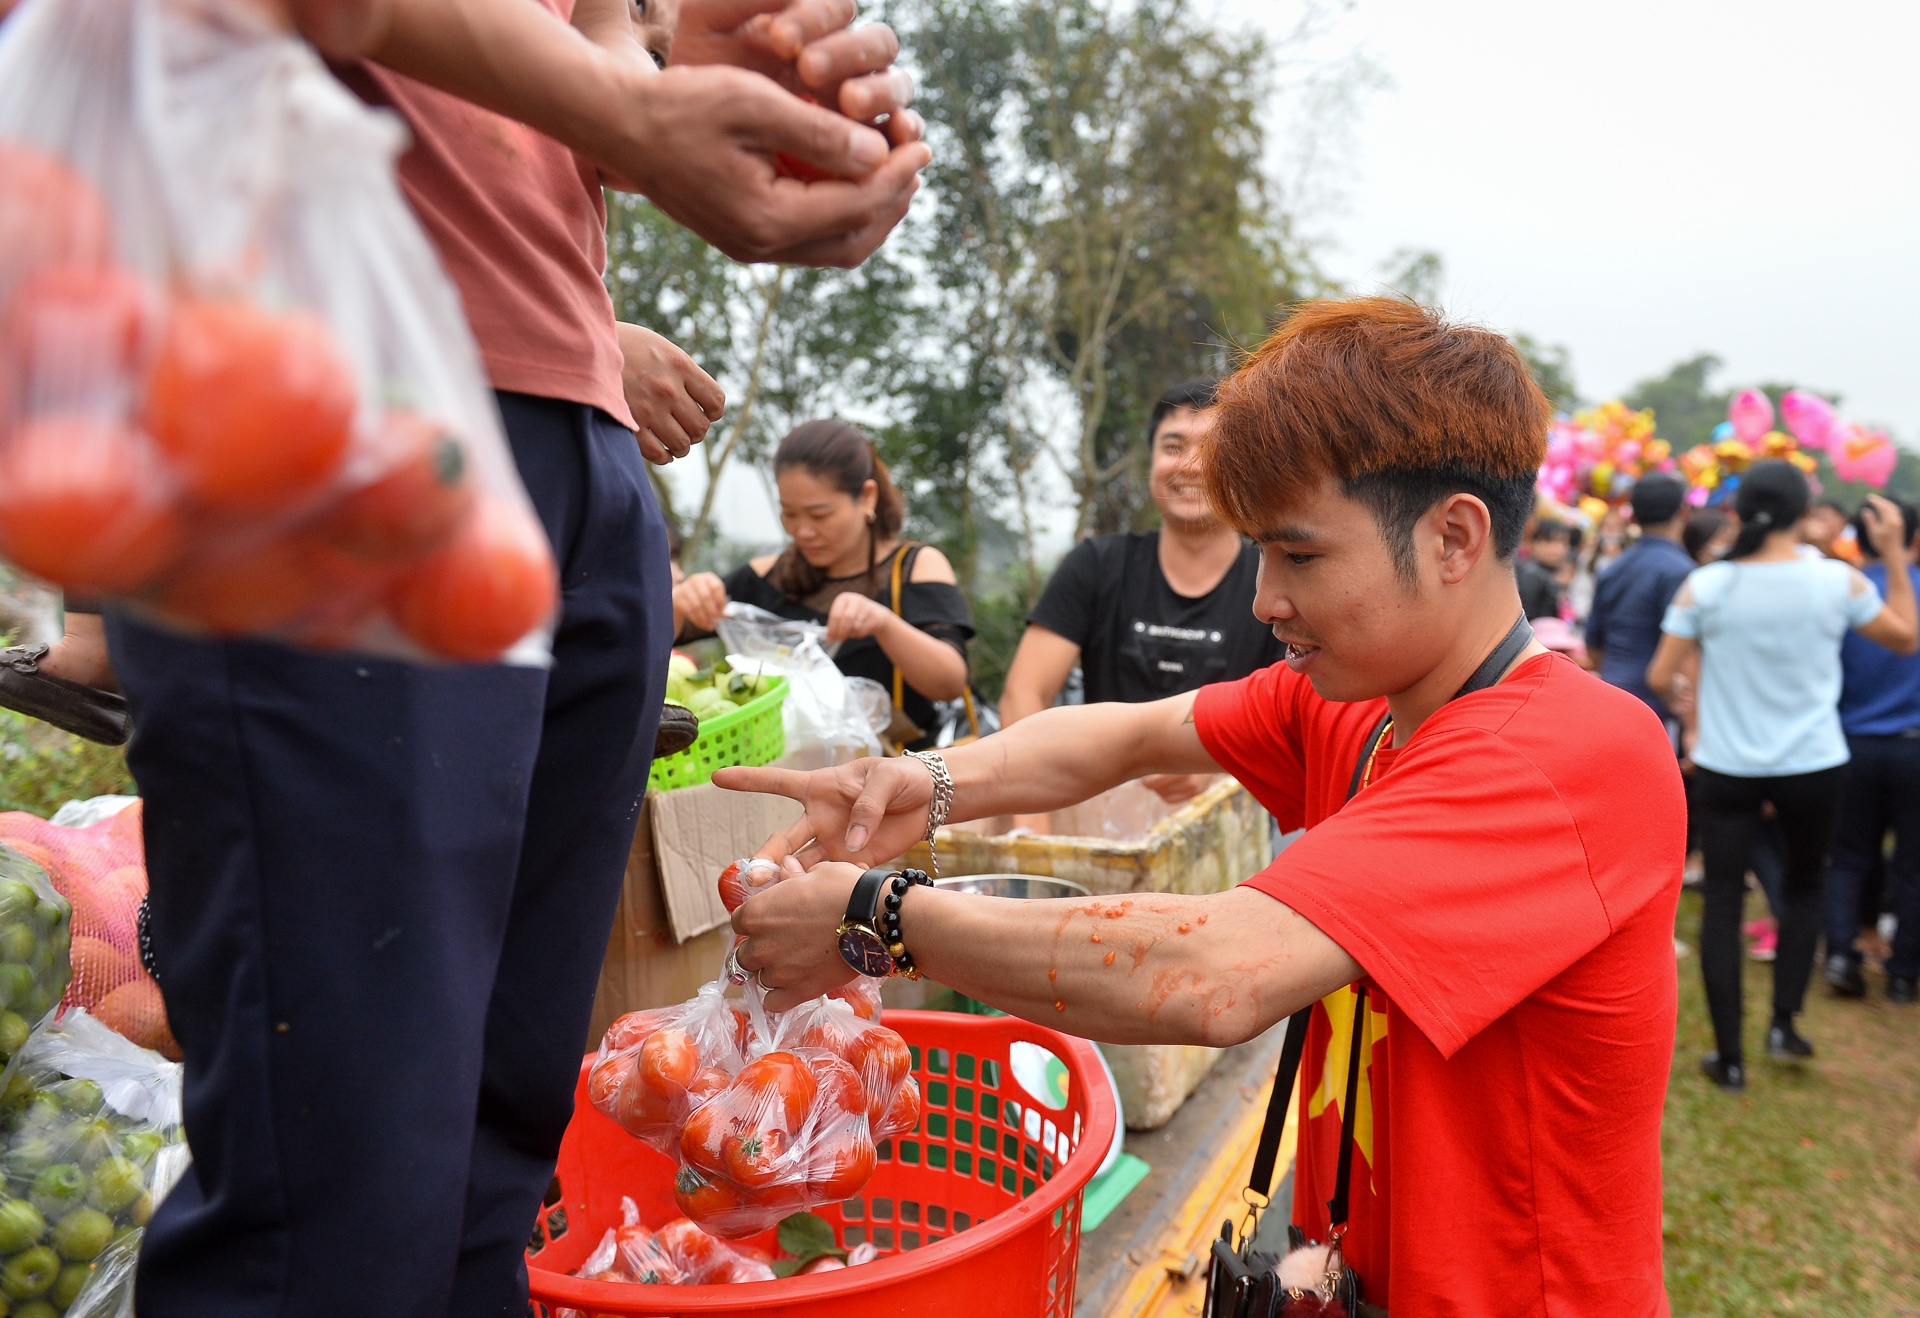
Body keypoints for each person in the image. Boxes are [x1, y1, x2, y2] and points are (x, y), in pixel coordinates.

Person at [18, 4, 932, 1316]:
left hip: (576, 431)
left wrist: (681, 81)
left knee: (489, 1149)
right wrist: (634, 111)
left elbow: (585, 43)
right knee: (335, 1185)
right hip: (313, 381)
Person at [720, 298, 1686, 1314]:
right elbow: (1130, 733)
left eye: (1300, 556)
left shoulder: (1567, 758)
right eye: (1259, 552)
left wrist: (877, 917)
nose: (1266, 600)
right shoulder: (1362, 706)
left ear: (1453, 537)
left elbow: (1212, 976)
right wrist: (923, 785)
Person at [1648, 462, 1916, 1091]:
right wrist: (1894, 554)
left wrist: (1690, 699)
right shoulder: (1836, 581)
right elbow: (1906, 638)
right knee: (1803, 886)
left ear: (1740, 511)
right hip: (1813, 762)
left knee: (1722, 902)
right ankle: (1784, 1024)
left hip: (1727, 764)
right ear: (1803, 513)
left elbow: (1660, 676)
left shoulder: (1707, 585)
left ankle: (1729, 1057)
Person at [998, 378, 1282, 805]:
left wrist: (1220, 767)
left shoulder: (1277, 578)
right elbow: (1024, 695)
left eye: (1213, 449)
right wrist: (1031, 823)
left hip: (1238, 819)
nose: (1191, 466)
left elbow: (1296, 720)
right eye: (1173, 447)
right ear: (1151, 459)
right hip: (1096, 809)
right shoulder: (1097, 565)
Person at [678, 420, 972, 751]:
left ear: (867, 498)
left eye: (819, 516)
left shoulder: (914, 567)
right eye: (789, 514)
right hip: (790, 773)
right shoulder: (766, 577)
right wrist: (683, 600)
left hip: (901, 770)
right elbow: (667, 633)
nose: (803, 531)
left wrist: (884, 623)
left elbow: (949, 682)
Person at [1823, 496, 1920, 1003]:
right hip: (1913, 747)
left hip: (1852, 742)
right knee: (1912, 864)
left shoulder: (1846, 591)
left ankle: (1842, 953)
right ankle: (1904, 972)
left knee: (1848, 855)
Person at [1585, 473, 1694, 735]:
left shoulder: (1612, 570)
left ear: (1632, 517)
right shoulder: (1681, 572)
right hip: (1658, 709)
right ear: (1683, 512)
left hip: (1611, 697)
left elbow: (1594, 646)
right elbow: (1687, 653)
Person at [1515, 518, 1571, 619]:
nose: (1558, 549)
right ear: (1534, 543)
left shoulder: (1555, 577)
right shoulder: (1530, 577)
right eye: (1549, 541)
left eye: (1563, 542)